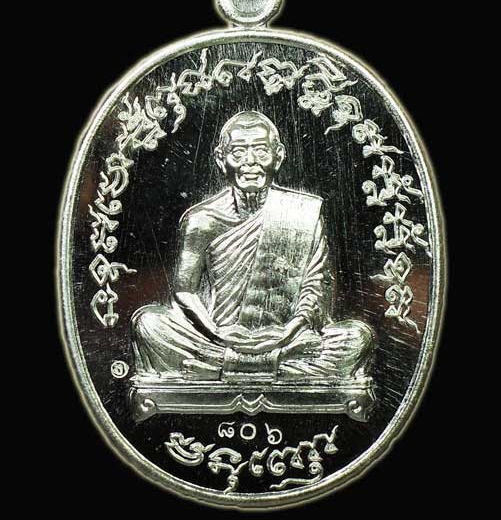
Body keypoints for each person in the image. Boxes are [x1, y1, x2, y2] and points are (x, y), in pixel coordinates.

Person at [132, 111, 374, 382]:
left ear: (278, 156)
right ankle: (268, 367)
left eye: (260, 151)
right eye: (238, 152)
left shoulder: (301, 212)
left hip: (288, 338)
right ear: (221, 159)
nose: (250, 162)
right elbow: (185, 291)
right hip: (216, 336)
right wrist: (217, 334)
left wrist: (287, 332)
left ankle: (222, 368)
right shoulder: (202, 220)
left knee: (356, 337)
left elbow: (316, 287)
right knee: (149, 324)